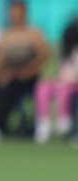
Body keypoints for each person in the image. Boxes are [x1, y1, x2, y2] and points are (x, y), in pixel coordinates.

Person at [0, 0, 50, 143]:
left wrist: (26, 71)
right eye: (13, 13)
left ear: (25, 13)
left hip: (26, 76)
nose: (15, 16)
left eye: (18, 13)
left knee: (11, 86)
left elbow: (43, 58)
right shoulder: (5, 36)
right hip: (8, 74)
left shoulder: (34, 34)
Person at [33, 15, 78, 143]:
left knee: (62, 89)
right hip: (63, 82)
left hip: (72, 85)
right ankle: (43, 122)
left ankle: (64, 120)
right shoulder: (63, 54)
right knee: (43, 87)